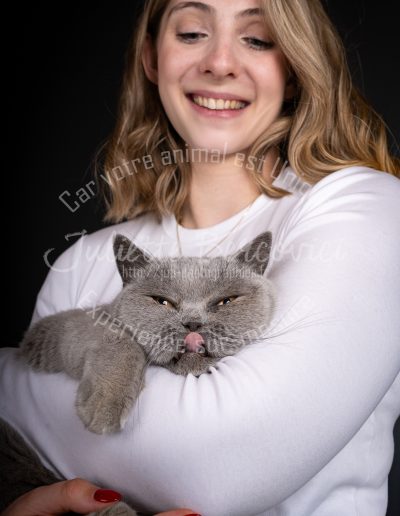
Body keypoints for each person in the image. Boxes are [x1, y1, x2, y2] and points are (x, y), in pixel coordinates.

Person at [1, 0, 399, 514]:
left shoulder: (364, 207)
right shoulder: (84, 262)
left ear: (295, 68)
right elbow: (28, 466)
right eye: (192, 33)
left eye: (257, 39)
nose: (220, 62)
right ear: (152, 58)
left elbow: (217, 467)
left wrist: (9, 378)